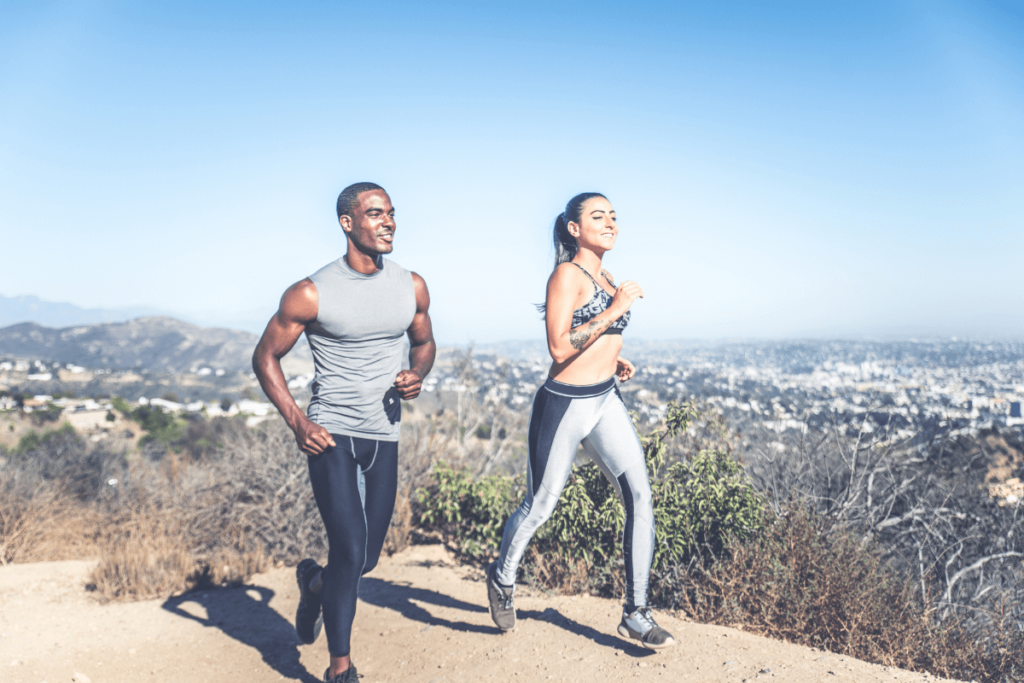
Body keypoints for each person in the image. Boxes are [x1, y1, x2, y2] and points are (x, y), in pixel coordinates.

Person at [252, 182, 435, 683]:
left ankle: (313, 583)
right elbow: (264, 356)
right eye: (376, 213)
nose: (389, 221)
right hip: (330, 433)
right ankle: (340, 668)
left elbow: (424, 341)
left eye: (392, 213)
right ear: (347, 222)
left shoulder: (411, 285)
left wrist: (417, 373)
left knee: (366, 560)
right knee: (350, 547)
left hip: (384, 435)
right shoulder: (311, 292)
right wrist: (298, 421)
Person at [485, 192, 675, 649]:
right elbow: (558, 347)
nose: (610, 222)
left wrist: (616, 359)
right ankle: (502, 576)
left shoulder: (606, 276)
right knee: (540, 507)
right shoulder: (565, 275)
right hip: (564, 405)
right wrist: (614, 311)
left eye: (613, 215)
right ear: (574, 228)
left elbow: (596, 340)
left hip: (605, 400)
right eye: (598, 215)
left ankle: (635, 612)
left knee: (640, 496)